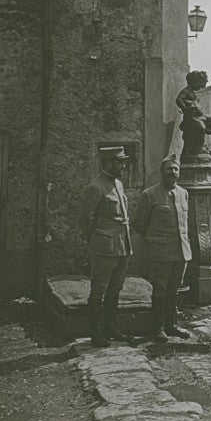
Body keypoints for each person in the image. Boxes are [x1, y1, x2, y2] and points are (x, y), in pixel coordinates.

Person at [79, 145, 135, 347]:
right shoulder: (95, 187)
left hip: (122, 245)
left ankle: (111, 327)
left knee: (115, 288)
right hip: (104, 247)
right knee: (99, 289)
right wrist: (96, 240)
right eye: (120, 162)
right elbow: (85, 220)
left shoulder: (118, 184)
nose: (124, 166)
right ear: (109, 163)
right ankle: (96, 333)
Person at [131, 157, 191, 340]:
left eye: (176, 169)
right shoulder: (149, 195)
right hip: (159, 252)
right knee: (160, 289)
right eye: (169, 169)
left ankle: (172, 325)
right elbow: (138, 223)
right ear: (161, 172)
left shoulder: (183, 193)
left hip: (180, 251)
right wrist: (156, 239)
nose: (173, 172)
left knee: (174, 289)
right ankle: (158, 328)